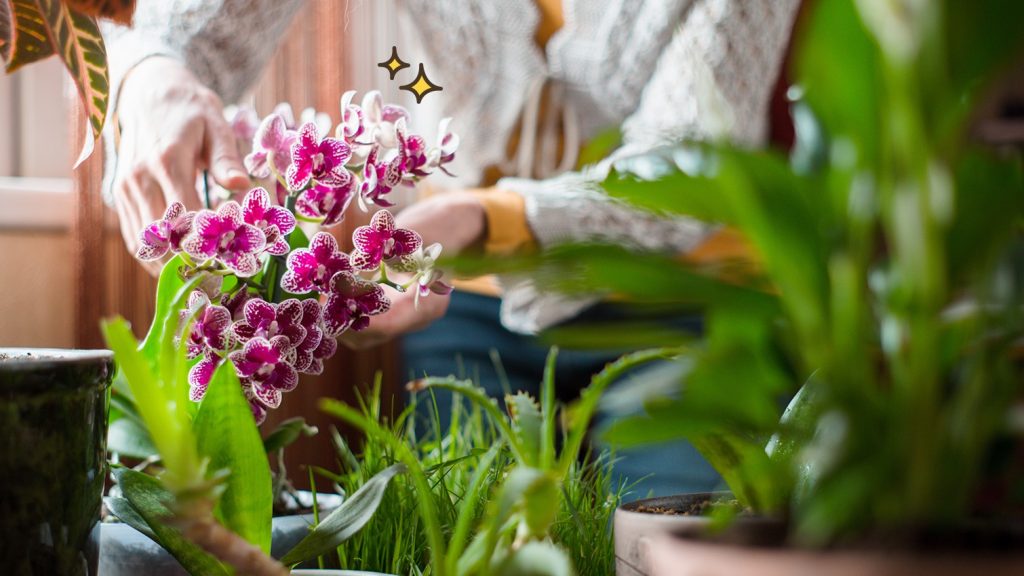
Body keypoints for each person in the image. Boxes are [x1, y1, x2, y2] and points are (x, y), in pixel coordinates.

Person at [102, 0, 800, 496]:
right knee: (453, 526)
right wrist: (151, 72)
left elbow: (689, 169)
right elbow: (189, 27)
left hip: (685, 300)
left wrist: (479, 218)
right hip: (464, 305)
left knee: (667, 534)